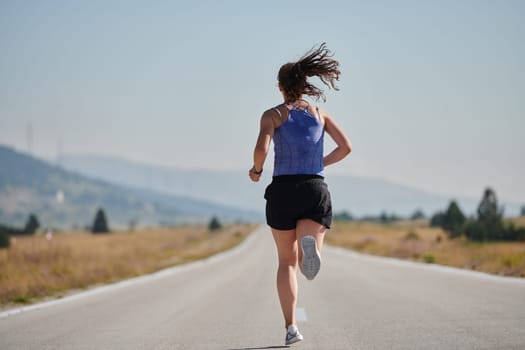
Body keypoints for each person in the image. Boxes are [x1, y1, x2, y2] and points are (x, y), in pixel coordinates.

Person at [248, 43, 352, 345]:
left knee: (286, 263)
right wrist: (320, 162)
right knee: (309, 252)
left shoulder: (273, 115)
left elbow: (261, 150)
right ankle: (313, 248)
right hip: (313, 188)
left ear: (280, 87)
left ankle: (291, 327)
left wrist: (256, 171)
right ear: (304, 84)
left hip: (282, 190)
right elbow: (346, 147)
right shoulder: (320, 114)